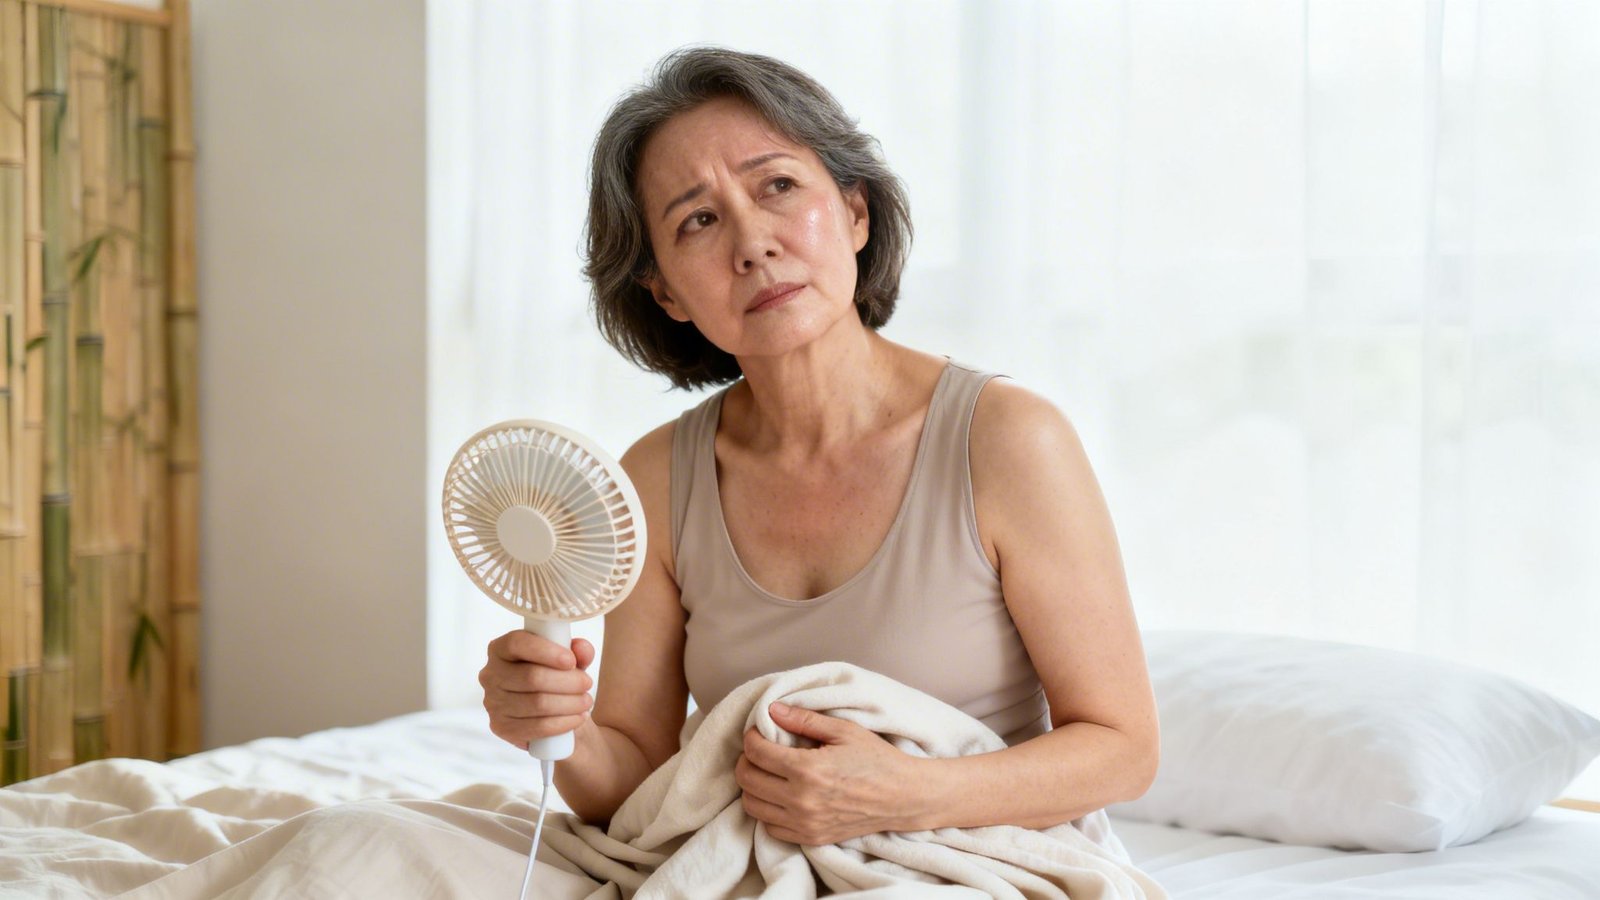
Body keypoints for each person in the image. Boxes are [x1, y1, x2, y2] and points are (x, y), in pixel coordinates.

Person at [480, 46, 1158, 848]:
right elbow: (632, 783)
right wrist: (560, 732)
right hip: (737, 861)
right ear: (666, 292)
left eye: (778, 186)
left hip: (970, 858)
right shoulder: (657, 478)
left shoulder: (1008, 440)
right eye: (698, 220)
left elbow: (1123, 751)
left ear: (856, 213)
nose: (753, 243)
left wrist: (909, 795)